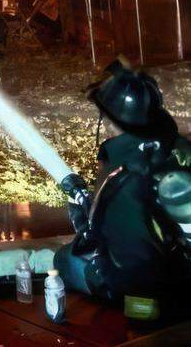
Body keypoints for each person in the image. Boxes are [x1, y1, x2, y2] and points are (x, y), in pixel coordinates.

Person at [54, 57, 191, 303]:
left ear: (111, 119)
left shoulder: (119, 168)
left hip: (142, 290)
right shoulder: (178, 147)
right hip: (181, 273)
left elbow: (104, 233)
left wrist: (81, 203)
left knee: (64, 259)